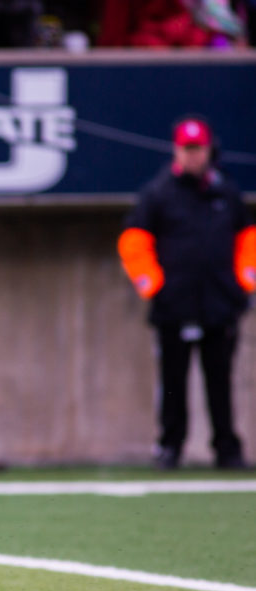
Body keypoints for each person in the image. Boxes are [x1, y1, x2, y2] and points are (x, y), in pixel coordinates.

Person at [117, 116, 255, 470]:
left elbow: (247, 238)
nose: (194, 156)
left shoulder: (225, 192)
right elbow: (134, 240)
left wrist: (246, 281)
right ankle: (170, 447)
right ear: (177, 150)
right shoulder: (159, 193)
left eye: (199, 148)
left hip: (219, 304)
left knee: (220, 381)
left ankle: (227, 449)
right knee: (173, 383)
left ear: (210, 149)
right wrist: (152, 285)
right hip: (174, 305)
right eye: (187, 149)